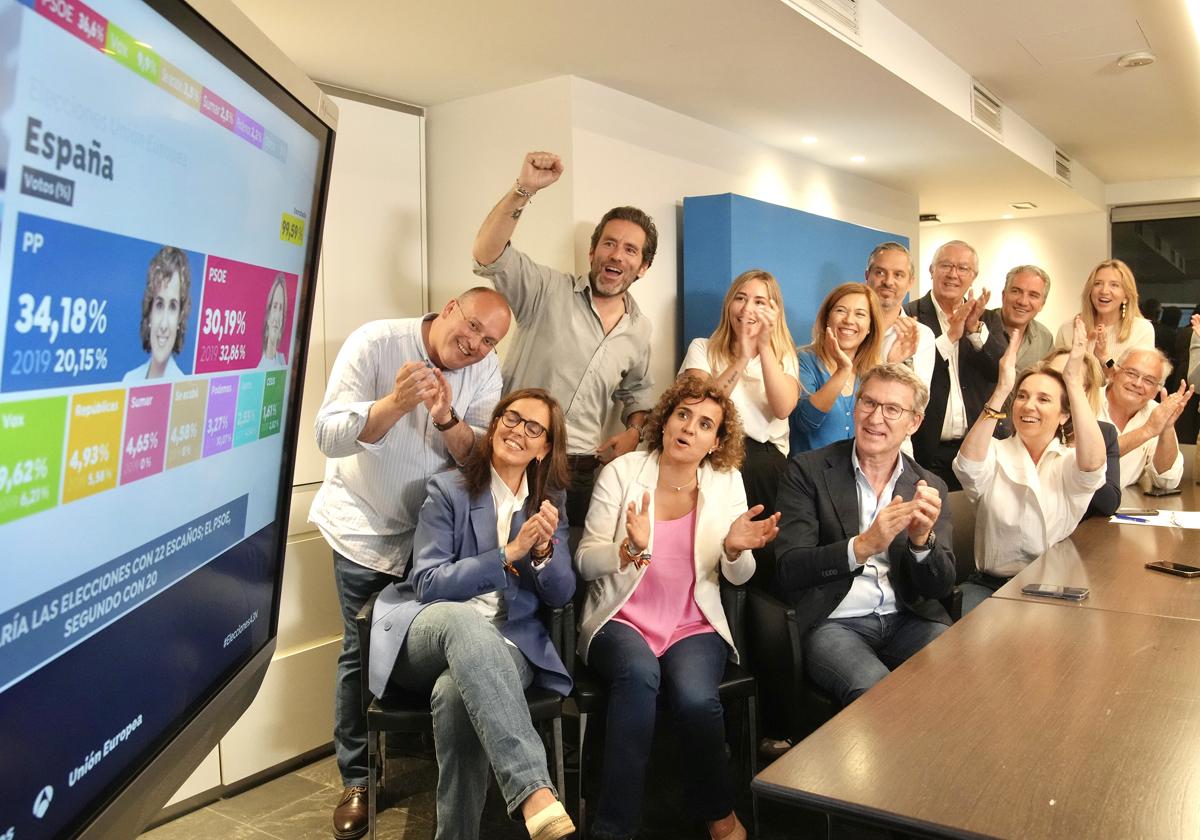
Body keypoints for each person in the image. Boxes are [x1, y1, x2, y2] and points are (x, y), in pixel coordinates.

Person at [310, 288, 511, 840]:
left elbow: (478, 456)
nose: (474, 345)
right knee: (360, 652)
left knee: (428, 652)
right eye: (470, 328)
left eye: (488, 340)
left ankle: (423, 758)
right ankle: (358, 778)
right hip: (365, 530)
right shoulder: (376, 342)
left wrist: (446, 419)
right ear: (448, 308)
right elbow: (327, 436)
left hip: (435, 544)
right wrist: (395, 404)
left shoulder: (487, 370)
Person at [576, 374, 779, 840]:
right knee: (639, 674)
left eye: (705, 423)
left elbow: (739, 578)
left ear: (715, 441)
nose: (689, 428)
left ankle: (719, 814)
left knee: (695, 699)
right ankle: (614, 828)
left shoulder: (726, 482)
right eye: (683, 414)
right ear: (665, 421)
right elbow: (586, 561)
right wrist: (627, 550)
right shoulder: (622, 473)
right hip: (621, 619)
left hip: (693, 622)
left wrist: (733, 549)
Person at [367, 389, 576, 840]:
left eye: (534, 428)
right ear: (496, 422)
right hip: (429, 629)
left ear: (544, 448)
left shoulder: (547, 504)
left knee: (456, 696)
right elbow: (427, 583)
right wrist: (506, 556)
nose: (518, 430)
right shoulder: (450, 490)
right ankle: (535, 792)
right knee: (464, 621)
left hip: (508, 642)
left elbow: (562, 595)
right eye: (512, 418)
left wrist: (542, 554)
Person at [473, 150, 655, 534]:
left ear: (643, 267)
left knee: (562, 575)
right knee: (502, 561)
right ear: (592, 251)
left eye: (630, 250)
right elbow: (487, 255)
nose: (616, 255)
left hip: (579, 469)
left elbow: (637, 393)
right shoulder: (546, 290)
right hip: (516, 454)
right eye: (609, 244)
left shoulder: (639, 330)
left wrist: (634, 433)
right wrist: (524, 189)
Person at [773, 362, 956, 708]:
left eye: (892, 409)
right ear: (855, 407)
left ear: (913, 423)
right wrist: (861, 547)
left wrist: (921, 543)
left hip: (907, 618)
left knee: (958, 675)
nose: (875, 418)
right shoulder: (807, 472)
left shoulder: (929, 487)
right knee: (879, 694)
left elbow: (940, 587)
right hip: (834, 622)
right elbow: (788, 567)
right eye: (868, 403)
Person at [953, 317, 1107, 614]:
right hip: (989, 586)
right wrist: (1002, 390)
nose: (1028, 405)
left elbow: (1093, 465)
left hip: (1053, 588)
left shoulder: (1067, 463)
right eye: (1022, 396)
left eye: (1043, 399)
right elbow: (968, 467)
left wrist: (1074, 383)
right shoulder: (995, 451)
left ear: (1064, 415)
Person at [679, 268, 798, 583]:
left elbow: (783, 407)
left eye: (760, 302)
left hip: (764, 464)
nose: (748, 309)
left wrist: (763, 347)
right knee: (711, 554)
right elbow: (699, 407)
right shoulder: (702, 348)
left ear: (774, 311)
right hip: (711, 458)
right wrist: (742, 358)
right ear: (728, 304)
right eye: (741, 299)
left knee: (763, 557)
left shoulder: (785, 355)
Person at [904, 240, 1005, 490]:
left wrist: (974, 329)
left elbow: (998, 371)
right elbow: (916, 378)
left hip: (976, 448)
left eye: (962, 268)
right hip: (927, 447)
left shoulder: (988, 318)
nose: (953, 274)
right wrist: (949, 336)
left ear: (974, 276)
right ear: (931, 270)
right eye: (946, 265)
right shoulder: (911, 315)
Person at [790, 282, 884, 454]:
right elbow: (805, 422)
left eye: (860, 314)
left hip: (854, 477)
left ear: (870, 326)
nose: (849, 320)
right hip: (808, 477)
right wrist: (842, 371)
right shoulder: (802, 361)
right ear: (827, 317)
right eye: (841, 310)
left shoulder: (871, 372)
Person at [1039, 348, 1121, 519]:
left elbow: (1109, 504)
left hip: (1079, 534)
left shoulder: (1104, 433)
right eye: (1052, 377)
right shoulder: (1027, 426)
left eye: (1068, 379)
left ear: (1083, 389)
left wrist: (1081, 448)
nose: (1057, 385)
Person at [1100, 348, 1194, 491]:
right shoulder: (1085, 401)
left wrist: (1167, 428)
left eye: (1149, 381)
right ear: (1115, 373)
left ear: (1157, 390)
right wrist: (1147, 430)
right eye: (1131, 373)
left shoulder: (1157, 412)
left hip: (1119, 508)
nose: (1137, 383)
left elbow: (1166, 481)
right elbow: (1086, 460)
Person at [1054, 259, 1154, 370]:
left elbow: (1132, 383)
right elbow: (1056, 376)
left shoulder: (1141, 330)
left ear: (1126, 296)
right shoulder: (1068, 329)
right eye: (1097, 284)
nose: (1104, 290)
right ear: (1090, 291)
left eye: (1114, 285)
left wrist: (1104, 357)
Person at [863, 242, 935, 382]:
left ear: (910, 283)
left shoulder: (921, 336)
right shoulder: (849, 326)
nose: (889, 282)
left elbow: (918, 399)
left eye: (898, 275)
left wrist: (895, 365)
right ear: (867, 276)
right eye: (880, 272)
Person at [123, 246, 190, 382]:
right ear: (150, 313)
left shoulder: (184, 389)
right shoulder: (129, 380)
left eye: (172, 307)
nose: (164, 324)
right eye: (159, 305)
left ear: (179, 318)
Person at [980, 265, 1055, 373]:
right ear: (1003, 295)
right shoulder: (978, 325)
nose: (1023, 302)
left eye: (1033, 295)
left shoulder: (1045, 339)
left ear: (1042, 304)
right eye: (1016, 291)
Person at [258, 272, 289, 368]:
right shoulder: (259, 369)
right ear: (268, 315)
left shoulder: (283, 361)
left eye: (281, 308)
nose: (277, 316)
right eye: (275, 306)